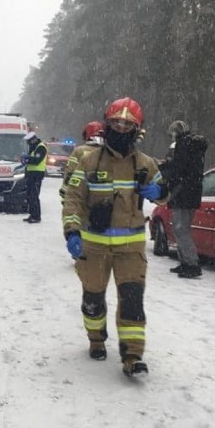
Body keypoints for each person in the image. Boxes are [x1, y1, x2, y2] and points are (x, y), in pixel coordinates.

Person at [62, 97, 168, 377]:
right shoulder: (88, 161)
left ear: (137, 129)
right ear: (106, 125)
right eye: (116, 123)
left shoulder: (145, 164)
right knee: (93, 300)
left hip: (130, 248)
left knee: (132, 301)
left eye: (127, 124)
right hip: (93, 247)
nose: (121, 128)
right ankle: (96, 339)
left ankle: (133, 356)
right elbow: (72, 198)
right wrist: (72, 231)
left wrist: (161, 193)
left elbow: (166, 192)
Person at [160, 120, 208, 279]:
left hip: (182, 194)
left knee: (181, 230)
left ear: (176, 132)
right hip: (191, 194)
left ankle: (192, 264)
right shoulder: (194, 146)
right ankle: (185, 262)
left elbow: (179, 169)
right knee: (181, 229)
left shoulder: (183, 145)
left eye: (172, 133)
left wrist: (165, 167)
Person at [59, 121, 105, 200]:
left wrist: (64, 192)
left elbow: (70, 172)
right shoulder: (107, 153)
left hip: (80, 193)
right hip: (101, 196)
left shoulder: (79, 151)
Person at [21, 131, 47, 223]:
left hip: (37, 175)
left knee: (34, 196)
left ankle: (36, 216)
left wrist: (27, 159)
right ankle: (32, 214)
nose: (28, 143)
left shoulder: (41, 147)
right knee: (29, 196)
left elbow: (37, 160)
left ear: (33, 140)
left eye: (28, 141)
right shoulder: (33, 147)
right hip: (31, 174)